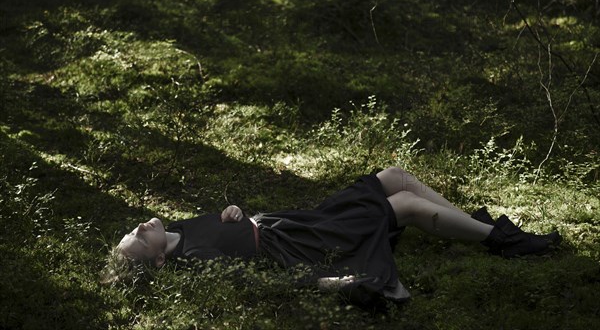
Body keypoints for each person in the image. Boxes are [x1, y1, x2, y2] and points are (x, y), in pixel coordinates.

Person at [104, 167, 561, 307]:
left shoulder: (178, 230)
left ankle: (483, 226)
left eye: (133, 228)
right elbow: (264, 282)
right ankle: (502, 242)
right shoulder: (197, 260)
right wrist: (330, 284)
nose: (141, 226)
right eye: (140, 239)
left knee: (394, 176)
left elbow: (226, 221)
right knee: (406, 207)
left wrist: (232, 210)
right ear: (159, 261)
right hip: (300, 244)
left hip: (293, 221)